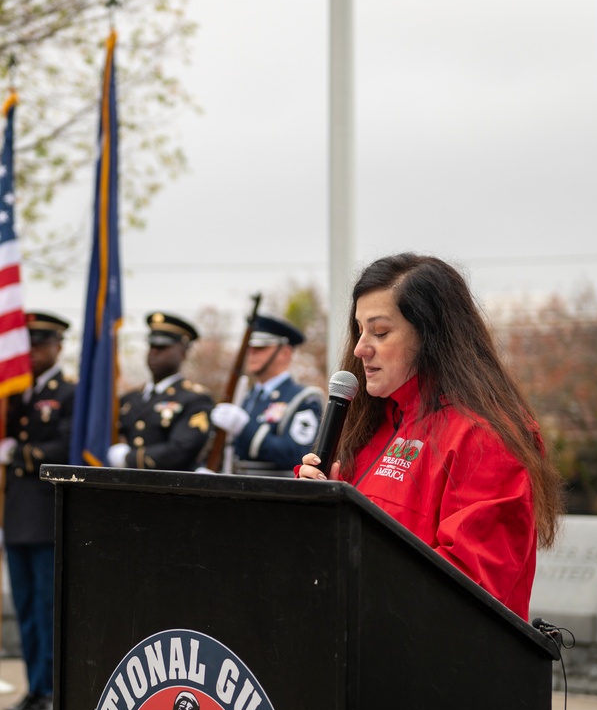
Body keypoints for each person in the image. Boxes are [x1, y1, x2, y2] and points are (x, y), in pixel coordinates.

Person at [296, 253, 564, 619]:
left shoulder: (483, 438)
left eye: (380, 332)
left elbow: (464, 590)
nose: (360, 349)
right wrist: (316, 504)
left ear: (430, 336)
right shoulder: (371, 425)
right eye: (359, 330)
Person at [0, 312, 75, 710]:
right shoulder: (12, 394)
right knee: (26, 612)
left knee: (47, 610)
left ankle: (52, 689)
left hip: (46, 515)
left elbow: (68, 445)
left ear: (58, 346)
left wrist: (20, 453)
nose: (33, 351)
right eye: (28, 344)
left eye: (41, 344)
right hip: (17, 517)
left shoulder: (71, 392)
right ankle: (35, 687)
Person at [210, 314, 323, 477]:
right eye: (250, 348)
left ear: (284, 352)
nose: (252, 353)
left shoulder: (304, 399)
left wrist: (245, 428)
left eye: (261, 348)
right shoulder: (246, 397)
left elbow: (296, 453)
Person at [108, 312, 214, 471]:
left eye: (163, 347)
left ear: (183, 352)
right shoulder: (130, 398)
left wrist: (129, 459)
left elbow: (180, 450)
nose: (154, 353)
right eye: (152, 346)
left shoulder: (196, 399)